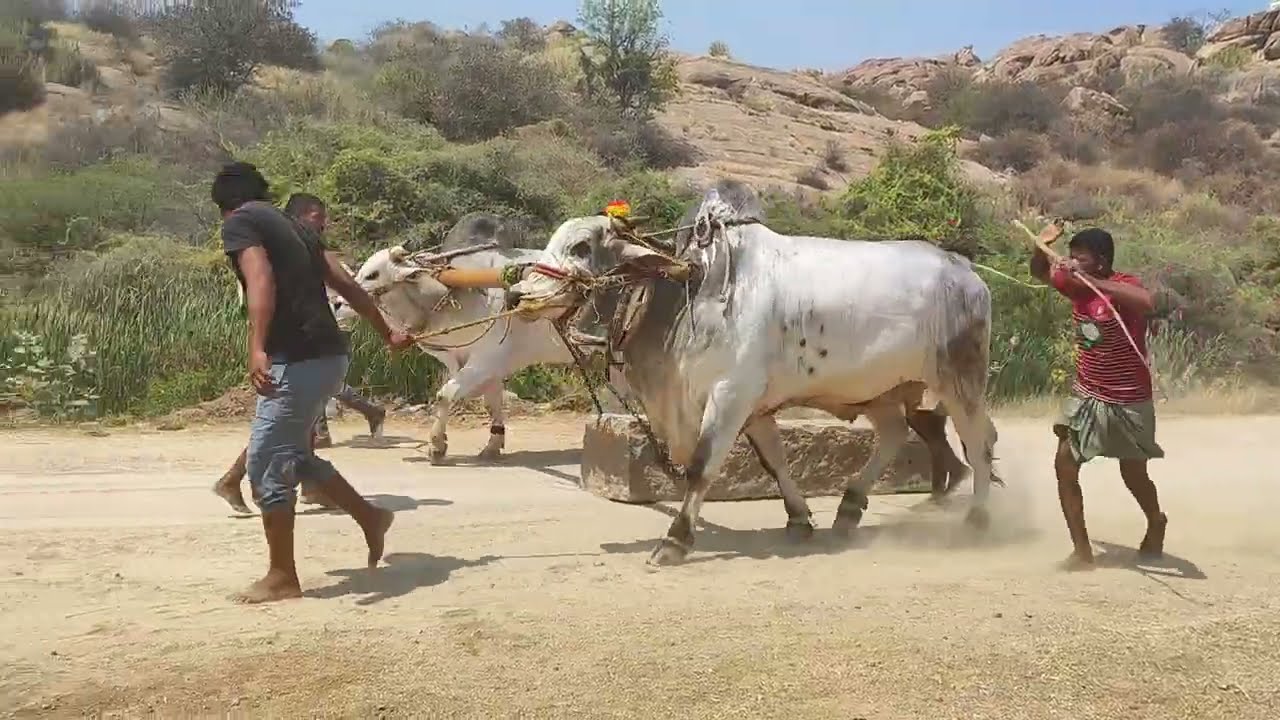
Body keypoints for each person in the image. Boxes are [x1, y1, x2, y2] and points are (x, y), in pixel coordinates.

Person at [211, 161, 412, 603]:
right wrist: (387, 331)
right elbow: (346, 282)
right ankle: (370, 516)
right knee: (294, 456)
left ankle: (282, 576)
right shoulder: (294, 226)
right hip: (331, 358)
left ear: (224, 207)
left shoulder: (241, 223)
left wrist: (257, 346)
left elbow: (259, 278)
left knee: (266, 464)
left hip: (295, 358)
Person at [211, 194, 386, 513]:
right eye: (317, 216)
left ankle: (310, 488)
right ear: (296, 220)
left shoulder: (295, 252)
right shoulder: (277, 256)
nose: (323, 223)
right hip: (293, 350)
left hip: (308, 347)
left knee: (294, 427)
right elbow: (344, 289)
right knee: (285, 428)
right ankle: (243, 483)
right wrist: (259, 347)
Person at [1030, 222, 1167, 571]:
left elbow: (1147, 301)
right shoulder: (1076, 287)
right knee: (1065, 463)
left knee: (1133, 475)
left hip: (1129, 398)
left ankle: (1156, 521)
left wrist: (1094, 282)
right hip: (1088, 393)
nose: (1071, 263)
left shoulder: (1123, 286)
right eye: (1071, 256)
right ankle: (1082, 551)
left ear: (1102, 262)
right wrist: (1040, 246)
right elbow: (1039, 272)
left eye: (1081, 258)